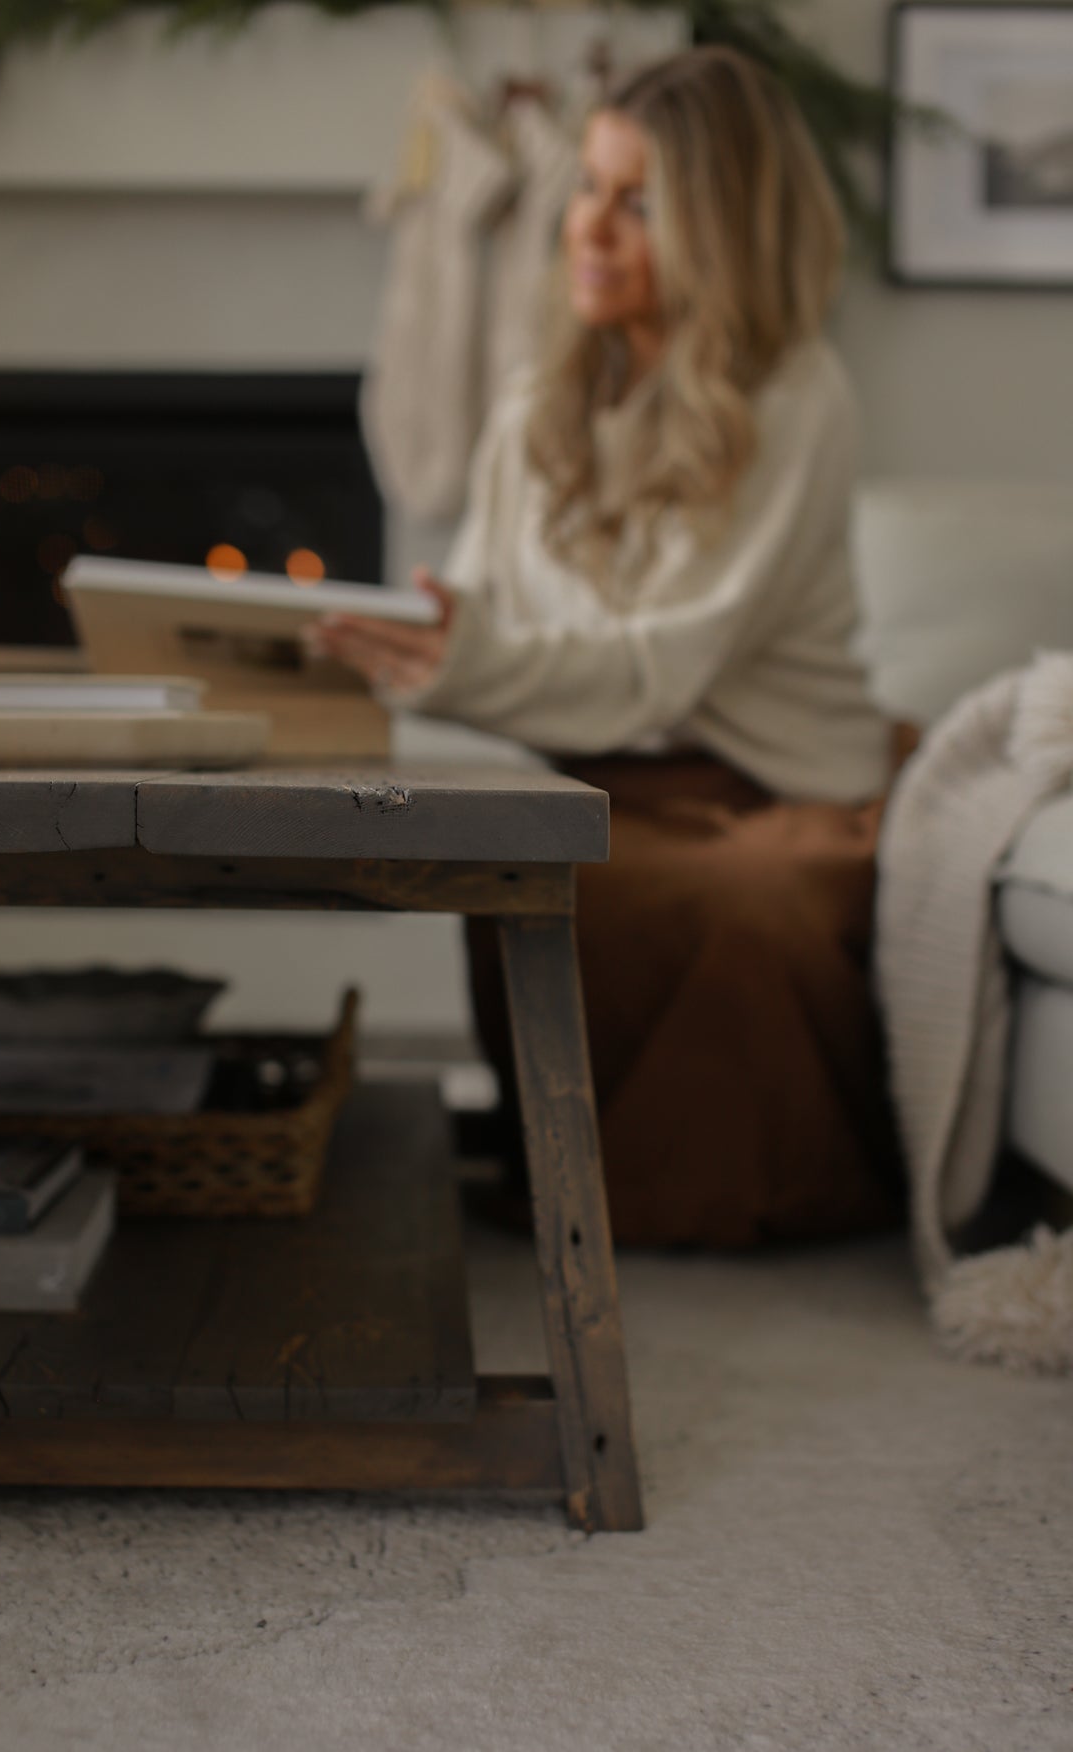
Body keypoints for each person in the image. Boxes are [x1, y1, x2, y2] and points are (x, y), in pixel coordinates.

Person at [307, 47, 904, 1249]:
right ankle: (584, 1171)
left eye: (640, 205)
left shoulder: (797, 397)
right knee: (525, 852)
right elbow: (472, 618)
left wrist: (459, 657)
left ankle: (717, 1187)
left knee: (749, 903)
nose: (590, 226)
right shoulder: (538, 404)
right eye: (588, 186)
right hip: (600, 778)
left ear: (721, 229)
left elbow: (662, 669)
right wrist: (363, 644)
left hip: (782, 790)